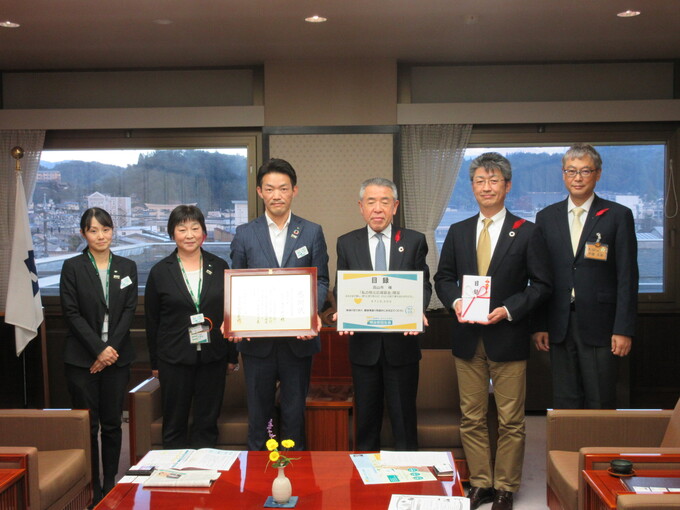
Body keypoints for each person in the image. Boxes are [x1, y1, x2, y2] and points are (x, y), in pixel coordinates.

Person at [434, 153, 552, 510]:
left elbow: (541, 284)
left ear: (507, 186)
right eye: (480, 181)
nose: (487, 187)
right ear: (472, 188)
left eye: (494, 180)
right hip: (467, 337)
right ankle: (481, 483)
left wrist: (508, 309)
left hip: (508, 337)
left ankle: (505, 486)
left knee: (511, 419)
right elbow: (443, 278)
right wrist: (455, 302)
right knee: (471, 416)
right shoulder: (457, 230)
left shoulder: (527, 231)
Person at [228, 158, 329, 451]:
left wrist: (312, 313)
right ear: (260, 192)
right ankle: (259, 481)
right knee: (259, 416)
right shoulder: (245, 233)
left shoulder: (311, 232)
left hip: (298, 340)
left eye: (283, 188)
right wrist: (234, 318)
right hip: (257, 343)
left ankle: (295, 479)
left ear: (294, 191)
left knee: (294, 412)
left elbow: (321, 280)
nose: (277, 195)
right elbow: (237, 283)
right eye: (270, 189)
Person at [532, 143, 638, 409]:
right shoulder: (546, 217)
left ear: (598, 174)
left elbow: (627, 276)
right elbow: (539, 276)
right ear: (563, 174)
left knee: (600, 398)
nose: (577, 178)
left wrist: (623, 329)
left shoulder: (617, 215)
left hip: (602, 324)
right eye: (571, 171)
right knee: (564, 398)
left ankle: (600, 452)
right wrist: (540, 324)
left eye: (585, 171)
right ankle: (568, 451)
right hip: (559, 323)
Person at [334, 177, 431, 451]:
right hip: (364, 347)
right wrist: (343, 309)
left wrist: (418, 310)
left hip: (402, 344)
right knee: (365, 418)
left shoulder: (413, 241)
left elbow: (423, 283)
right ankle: (364, 479)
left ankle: (408, 479)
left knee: (403, 418)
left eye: (384, 202)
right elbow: (342, 284)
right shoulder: (347, 243)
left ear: (395, 206)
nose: (378, 209)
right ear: (361, 207)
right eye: (371, 202)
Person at [60, 207, 138, 502]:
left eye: (105, 229)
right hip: (82, 360)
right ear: (84, 234)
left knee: (113, 423)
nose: (101, 235)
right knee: (88, 426)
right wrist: (97, 349)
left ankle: (110, 483)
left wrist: (108, 352)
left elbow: (128, 312)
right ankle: (91, 487)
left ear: (113, 231)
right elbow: (71, 313)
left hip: (117, 358)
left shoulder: (127, 266)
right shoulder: (73, 267)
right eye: (94, 230)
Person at [145, 205, 237, 449]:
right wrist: (155, 363)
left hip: (213, 356)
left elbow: (230, 313)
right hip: (173, 358)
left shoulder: (219, 266)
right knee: (174, 423)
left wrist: (231, 356)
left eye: (195, 228)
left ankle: (205, 474)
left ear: (203, 233)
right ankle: (174, 478)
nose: (189, 234)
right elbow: (152, 321)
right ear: (172, 234)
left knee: (207, 422)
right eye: (182, 228)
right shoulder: (160, 272)